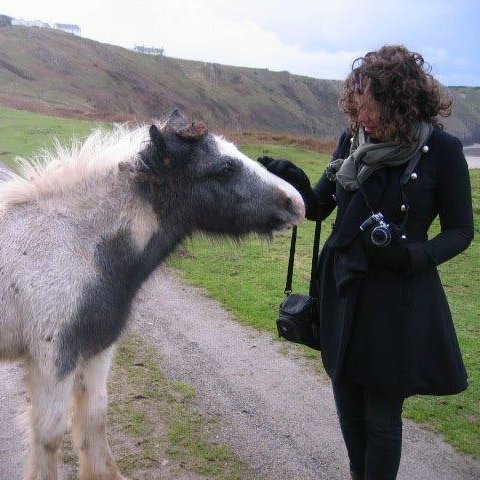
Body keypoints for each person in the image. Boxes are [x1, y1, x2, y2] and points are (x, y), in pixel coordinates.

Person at [259, 45, 474, 480]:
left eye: (369, 107)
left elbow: (461, 231)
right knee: (347, 406)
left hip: (397, 298)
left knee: (380, 415)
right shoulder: (352, 141)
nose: (362, 118)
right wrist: (286, 177)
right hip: (342, 290)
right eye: (356, 107)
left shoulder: (441, 150)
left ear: (399, 101)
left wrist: (414, 254)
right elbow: (318, 206)